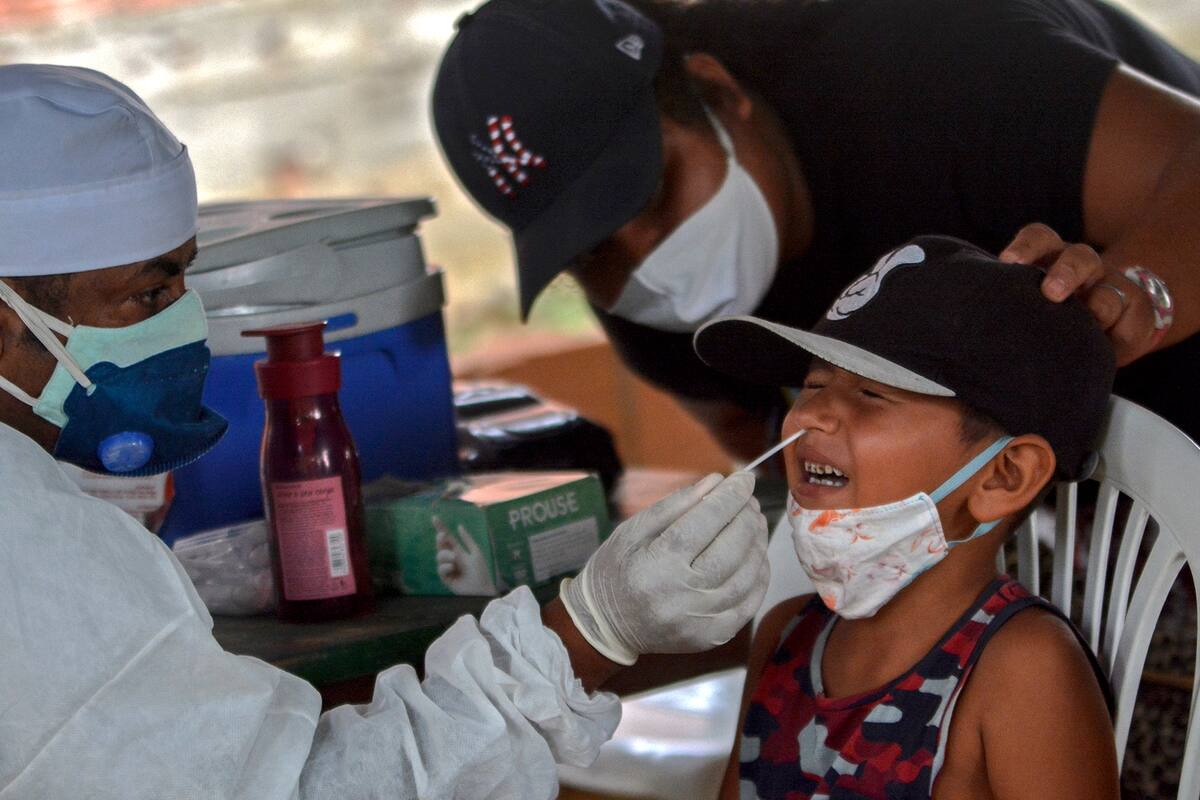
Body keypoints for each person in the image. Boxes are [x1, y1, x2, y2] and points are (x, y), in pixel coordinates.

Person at [0, 64, 770, 799]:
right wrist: (585, 634)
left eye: (183, 279)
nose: (187, 321)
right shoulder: (32, 548)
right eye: (147, 294)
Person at [432, 0, 1200, 461]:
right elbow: (758, 437)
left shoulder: (943, 62)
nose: (650, 257)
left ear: (716, 89)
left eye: (655, 190)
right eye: (594, 242)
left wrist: (1130, 301)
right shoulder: (646, 307)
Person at [690, 234, 1119, 799]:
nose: (811, 413)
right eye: (813, 383)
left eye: (871, 393)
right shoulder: (785, 635)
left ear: (1003, 475)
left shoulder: (1024, 671)